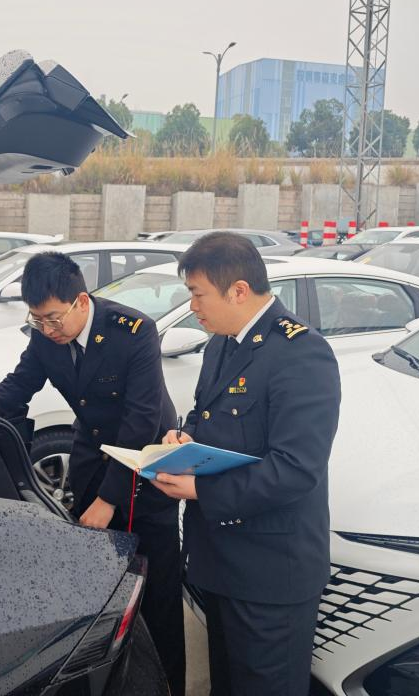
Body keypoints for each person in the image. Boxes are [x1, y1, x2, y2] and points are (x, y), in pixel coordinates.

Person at [0, 251, 186, 695]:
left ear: (81, 301)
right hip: (89, 462)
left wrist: (108, 500)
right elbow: (21, 384)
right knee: (102, 595)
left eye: (53, 319)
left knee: (156, 599)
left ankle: (168, 686)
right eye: (37, 320)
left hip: (143, 479)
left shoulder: (135, 333)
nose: (46, 329)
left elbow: (140, 424)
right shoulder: (47, 337)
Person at [151, 231, 341, 696]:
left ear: (237, 290)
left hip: (270, 574)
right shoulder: (221, 344)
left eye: (198, 295)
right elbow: (208, 414)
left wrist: (201, 491)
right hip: (220, 562)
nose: (193, 307)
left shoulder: (301, 353)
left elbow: (296, 468)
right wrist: (187, 437)